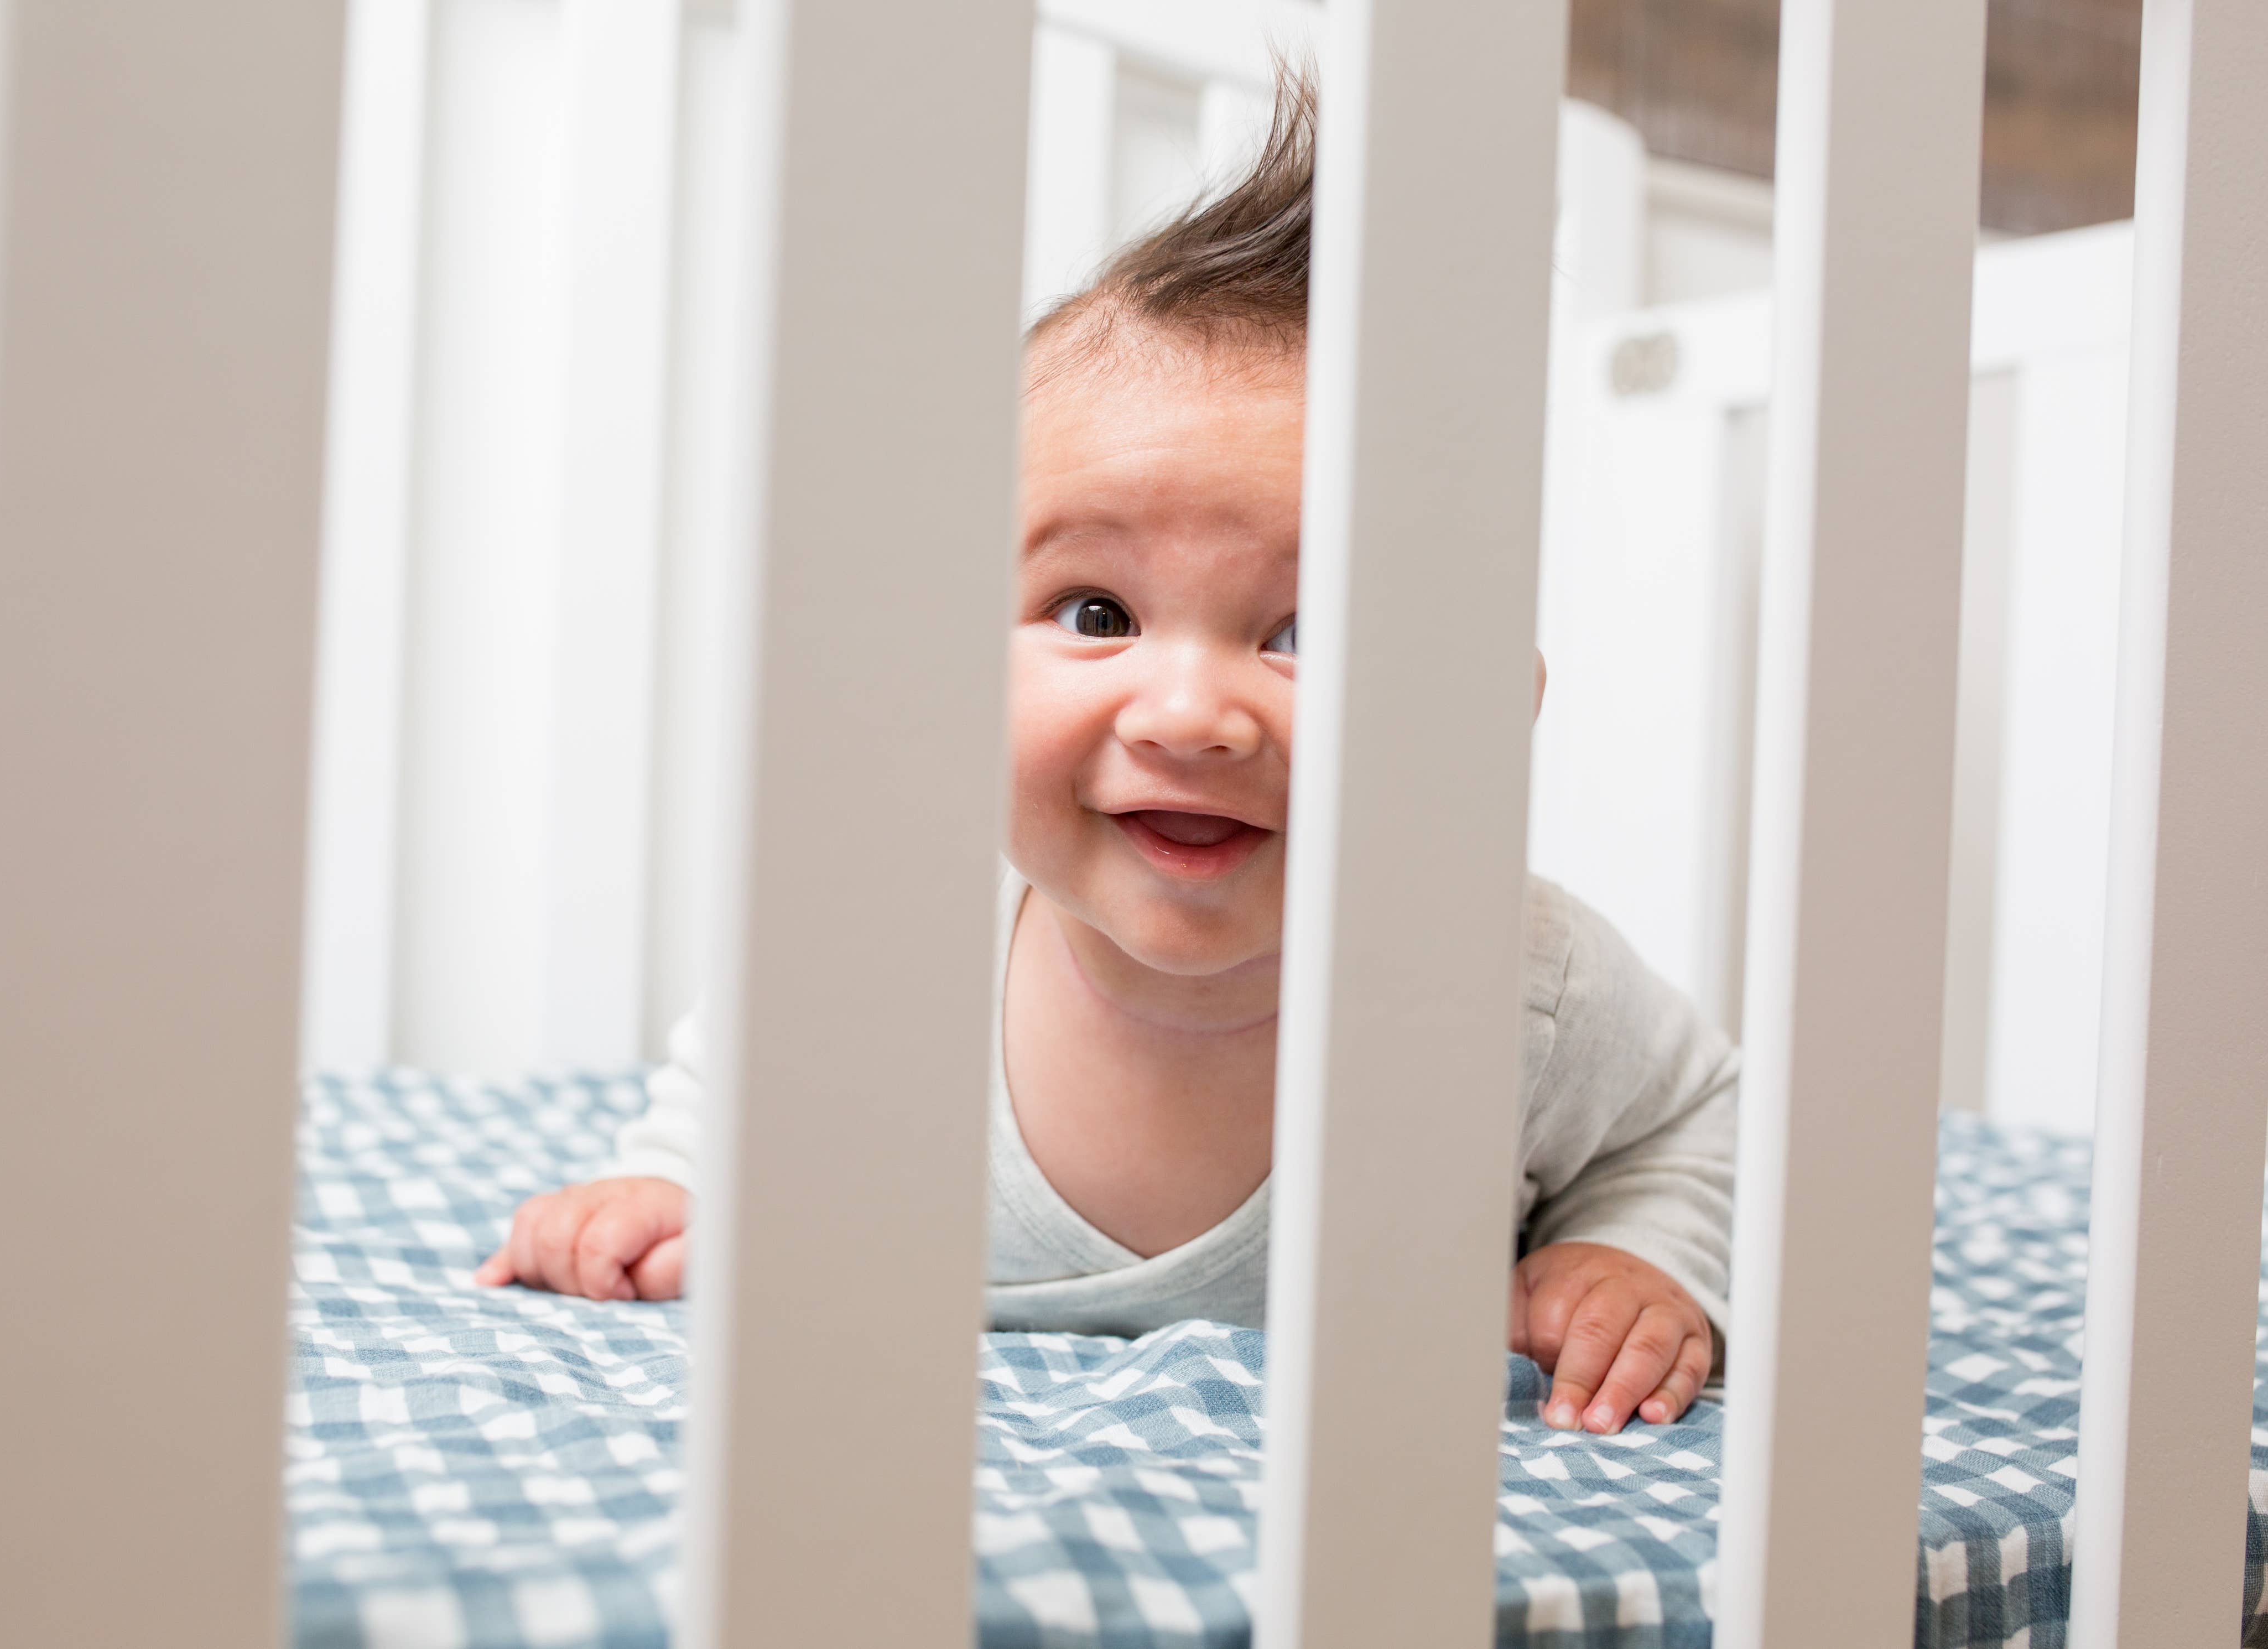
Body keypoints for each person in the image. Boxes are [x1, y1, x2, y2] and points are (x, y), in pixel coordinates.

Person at [477, 71, 1735, 1436]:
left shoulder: (1524, 987)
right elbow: (741, 1074)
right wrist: (681, 1188)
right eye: (1098, 615)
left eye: (1306, 631)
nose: (1190, 714)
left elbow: (1692, 1118)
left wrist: (1639, 1257)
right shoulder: (897, 938)